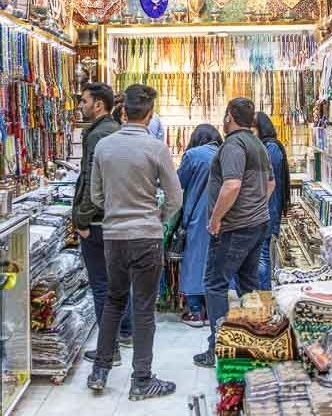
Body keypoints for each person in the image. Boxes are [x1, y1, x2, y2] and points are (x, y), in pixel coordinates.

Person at [87, 84, 182, 401]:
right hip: (146, 236)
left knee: (114, 301)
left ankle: (100, 370)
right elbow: (175, 197)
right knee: (143, 308)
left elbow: (96, 196)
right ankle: (141, 379)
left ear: (123, 112)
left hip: (113, 236)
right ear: (150, 115)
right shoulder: (156, 148)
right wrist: (159, 218)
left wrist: (115, 209)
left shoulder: (104, 146)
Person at [194, 98, 275, 368]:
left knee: (215, 284)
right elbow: (270, 184)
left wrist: (216, 218)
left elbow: (231, 185)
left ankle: (219, 346)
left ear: (229, 116)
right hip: (256, 224)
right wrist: (256, 207)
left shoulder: (233, 145)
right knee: (248, 285)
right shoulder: (258, 145)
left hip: (235, 227)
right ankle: (249, 341)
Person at [71, 83, 132, 365]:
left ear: (98, 104)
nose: (80, 105)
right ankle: (125, 333)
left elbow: (93, 182)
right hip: (115, 219)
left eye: (84, 101)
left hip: (97, 222)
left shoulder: (98, 136)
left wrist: (82, 219)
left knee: (101, 285)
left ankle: (110, 349)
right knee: (118, 282)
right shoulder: (115, 132)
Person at [177, 124, 223, 327]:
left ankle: (196, 311)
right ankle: (213, 311)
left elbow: (178, 182)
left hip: (197, 216)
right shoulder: (226, 153)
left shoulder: (192, 155)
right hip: (223, 216)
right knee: (215, 264)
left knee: (194, 262)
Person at [254, 111, 291, 290]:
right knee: (261, 256)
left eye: (253, 129)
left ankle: (264, 295)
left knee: (262, 256)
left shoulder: (271, 149)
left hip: (267, 210)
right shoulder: (270, 147)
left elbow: (268, 180)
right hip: (266, 209)